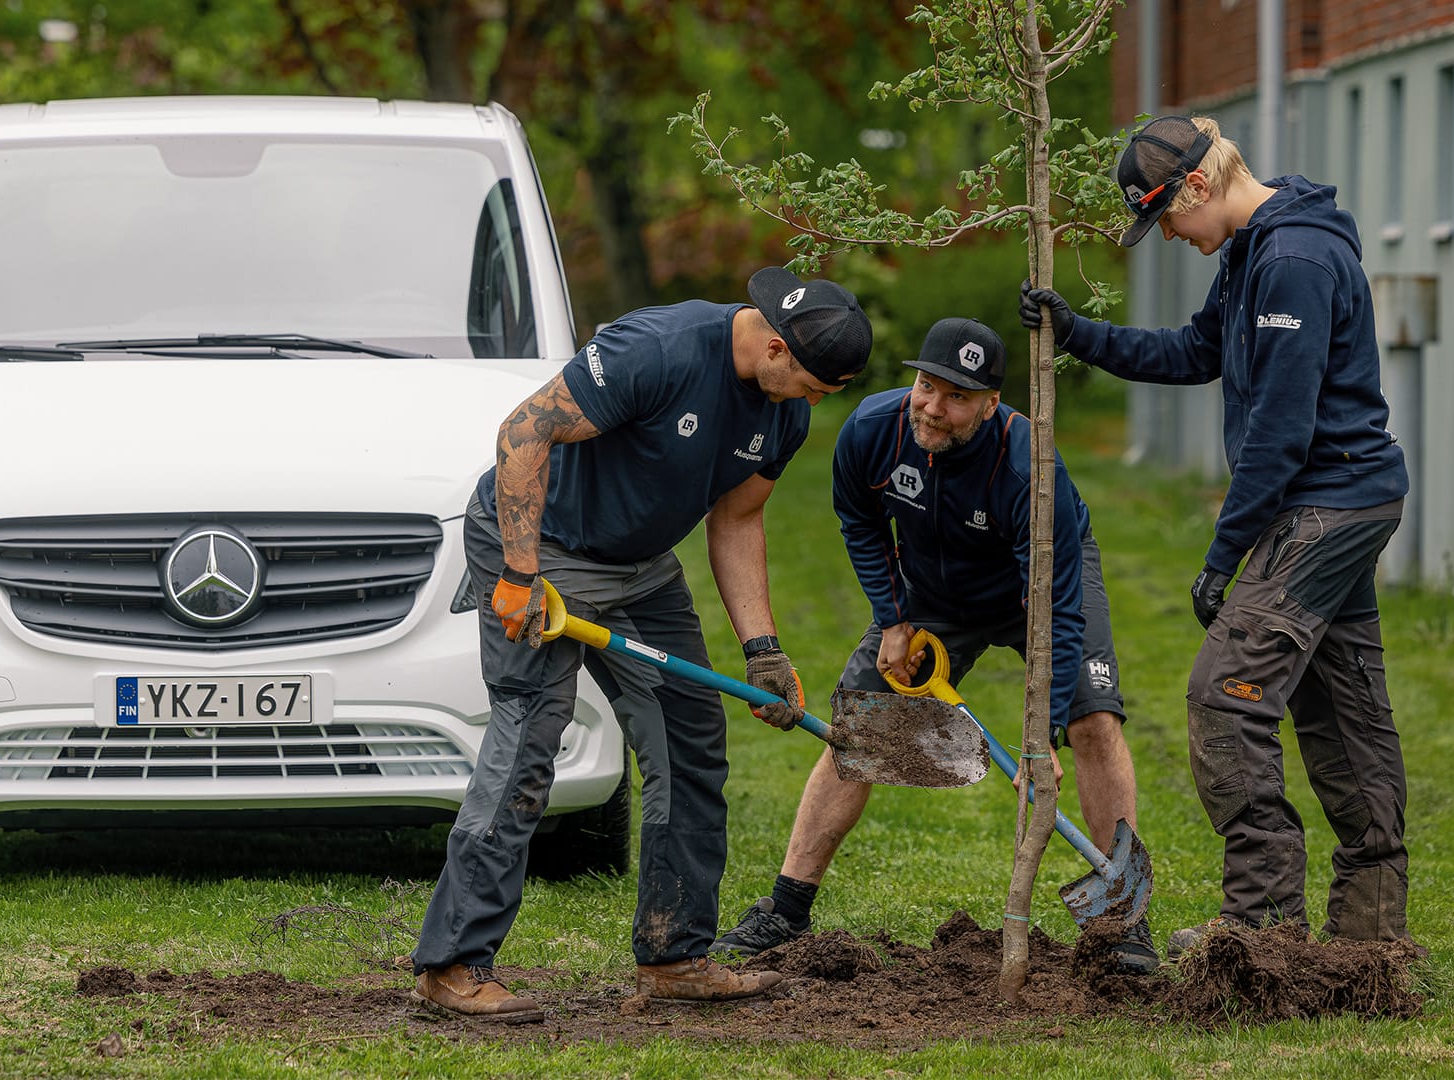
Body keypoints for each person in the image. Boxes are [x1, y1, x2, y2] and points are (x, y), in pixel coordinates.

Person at [408, 267, 873, 1022]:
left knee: (691, 739)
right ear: (778, 348)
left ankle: (674, 954)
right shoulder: (657, 349)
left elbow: (738, 520)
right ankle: (453, 963)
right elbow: (523, 432)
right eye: (818, 386)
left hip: (641, 570)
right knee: (532, 733)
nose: (818, 403)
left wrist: (762, 648)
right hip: (541, 545)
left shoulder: (783, 414)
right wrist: (519, 573)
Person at [1020, 114, 1412, 956]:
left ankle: (1262, 931)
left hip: (1331, 503)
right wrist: (1077, 331)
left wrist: (1222, 559)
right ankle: (1369, 941)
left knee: (1223, 698)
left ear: (1198, 185)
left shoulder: (1296, 262)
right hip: (1335, 499)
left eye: (1166, 215)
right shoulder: (1251, 253)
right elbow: (1195, 351)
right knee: (1343, 712)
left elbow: (1280, 432)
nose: (1167, 234)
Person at [711, 317, 1160, 974]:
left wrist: (1046, 730)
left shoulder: (1029, 466)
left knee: (1093, 721)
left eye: (957, 398)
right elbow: (859, 521)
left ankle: (1122, 921)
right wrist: (893, 618)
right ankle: (785, 908)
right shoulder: (872, 428)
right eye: (927, 386)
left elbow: (1059, 612)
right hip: (928, 593)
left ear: (989, 403)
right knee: (858, 729)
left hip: (1033, 588)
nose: (935, 408)